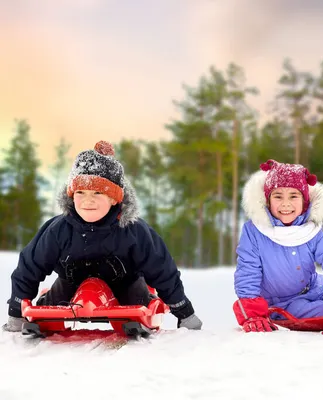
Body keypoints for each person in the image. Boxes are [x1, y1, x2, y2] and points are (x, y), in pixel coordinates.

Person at [3, 141, 202, 332]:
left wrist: (184, 312)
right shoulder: (58, 229)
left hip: (125, 285)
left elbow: (161, 269)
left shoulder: (134, 231)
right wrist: (17, 311)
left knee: (136, 304)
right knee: (48, 313)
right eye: (80, 192)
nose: (87, 200)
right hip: (70, 286)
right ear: (71, 195)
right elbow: (29, 267)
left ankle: (143, 307)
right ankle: (46, 315)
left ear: (114, 198)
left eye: (97, 192)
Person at [232, 159, 323, 337]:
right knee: (321, 312)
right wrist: (253, 314)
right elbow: (247, 272)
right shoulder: (254, 231)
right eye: (278, 196)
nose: (285, 204)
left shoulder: (311, 230)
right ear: (268, 200)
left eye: (293, 196)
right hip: (285, 303)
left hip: (317, 288)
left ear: (304, 200)